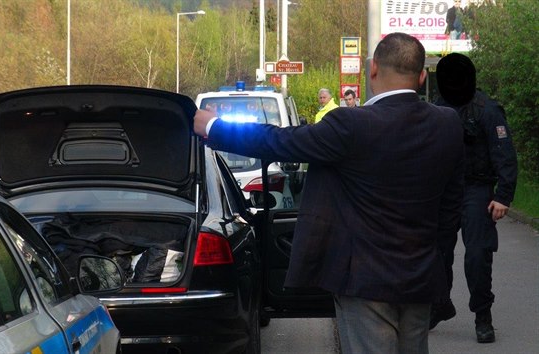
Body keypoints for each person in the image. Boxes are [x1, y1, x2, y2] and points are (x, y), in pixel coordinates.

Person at [194, 32, 465, 354]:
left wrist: (214, 126)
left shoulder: (352, 125)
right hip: (421, 278)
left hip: (365, 281)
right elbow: (451, 209)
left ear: (373, 69)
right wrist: (438, 267)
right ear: (422, 76)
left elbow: (279, 141)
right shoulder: (448, 124)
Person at [431, 53, 518, 344]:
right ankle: (439, 305)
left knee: (478, 254)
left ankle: (483, 315)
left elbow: (505, 155)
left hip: (476, 189)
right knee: (435, 252)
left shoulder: (487, 110)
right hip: (444, 191)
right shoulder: (437, 110)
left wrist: (503, 196)